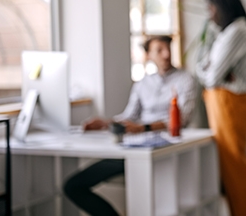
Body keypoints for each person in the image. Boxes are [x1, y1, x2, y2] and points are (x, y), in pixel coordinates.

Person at [64, 35, 196, 216]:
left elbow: (182, 119)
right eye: (159, 50)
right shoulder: (142, 84)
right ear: (148, 55)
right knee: (73, 186)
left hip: (166, 150)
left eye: (168, 49)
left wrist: (144, 128)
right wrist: (105, 123)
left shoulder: (186, 79)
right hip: (136, 148)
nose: (166, 54)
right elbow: (129, 117)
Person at [195, 0, 246, 216]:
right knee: (228, 166)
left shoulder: (238, 31)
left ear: (223, 6)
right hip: (221, 103)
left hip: (230, 103)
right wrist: (211, 71)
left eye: (211, 7)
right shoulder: (225, 32)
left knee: (235, 165)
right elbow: (202, 66)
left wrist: (211, 71)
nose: (209, 13)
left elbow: (210, 77)